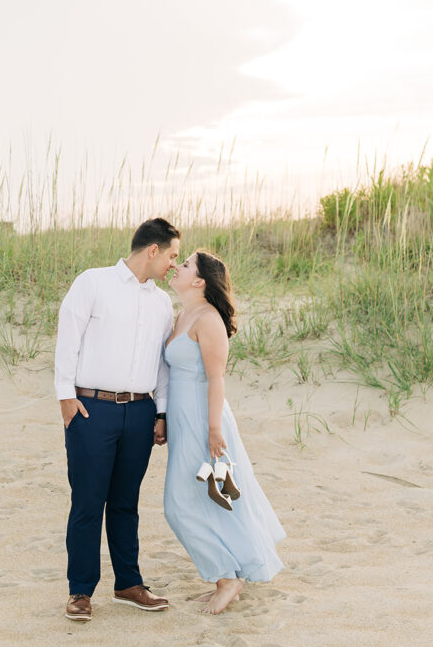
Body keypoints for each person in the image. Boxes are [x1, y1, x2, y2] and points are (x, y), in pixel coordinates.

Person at [55, 217, 180, 622]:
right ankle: (80, 592)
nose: (174, 265)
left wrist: (159, 412)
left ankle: (128, 584)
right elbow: (67, 338)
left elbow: (161, 364)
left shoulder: (162, 302)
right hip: (92, 410)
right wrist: (66, 399)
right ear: (152, 250)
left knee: (126, 504)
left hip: (140, 413)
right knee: (89, 502)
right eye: (173, 255)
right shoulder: (93, 282)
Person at [164, 249, 286, 614]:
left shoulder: (209, 320)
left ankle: (228, 578)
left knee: (188, 502)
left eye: (185, 265)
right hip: (182, 422)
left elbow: (216, 379)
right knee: (200, 499)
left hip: (205, 421)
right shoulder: (183, 314)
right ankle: (226, 574)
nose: (177, 267)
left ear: (199, 280)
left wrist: (214, 430)